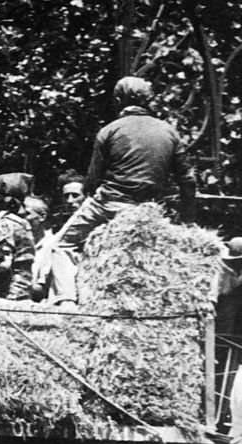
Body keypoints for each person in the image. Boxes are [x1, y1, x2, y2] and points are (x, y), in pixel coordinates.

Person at [45, 76, 197, 305]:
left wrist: (91, 195)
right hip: (149, 209)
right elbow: (187, 180)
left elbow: (92, 181)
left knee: (60, 246)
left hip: (109, 204)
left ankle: (66, 300)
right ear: (149, 100)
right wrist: (187, 218)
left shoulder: (109, 131)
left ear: (118, 100)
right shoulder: (169, 132)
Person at [0, 173, 36, 300]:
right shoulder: (21, 222)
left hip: (8, 293)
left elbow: (4, 263)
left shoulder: (4, 224)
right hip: (22, 288)